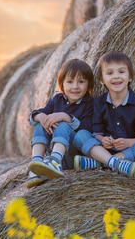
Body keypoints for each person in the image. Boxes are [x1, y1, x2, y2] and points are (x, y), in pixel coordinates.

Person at [73, 51, 135, 178]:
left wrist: (129, 143)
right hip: (102, 149)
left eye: (121, 72)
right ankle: (113, 163)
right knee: (81, 135)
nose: (116, 76)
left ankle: (99, 163)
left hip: (128, 153)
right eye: (110, 73)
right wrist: (102, 139)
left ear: (130, 77)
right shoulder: (99, 103)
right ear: (101, 80)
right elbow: (96, 132)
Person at [26, 58, 94, 188]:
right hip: (52, 152)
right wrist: (39, 116)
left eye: (81, 82)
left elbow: (88, 129)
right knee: (42, 122)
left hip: (73, 155)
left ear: (88, 85)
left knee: (63, 124)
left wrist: (66, 117)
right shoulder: (57, 99)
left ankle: (55, 162)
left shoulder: (90, 104)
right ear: (62, 84)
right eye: (70, 82)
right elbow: (39, 114)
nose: (75, 86)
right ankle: (36, 165)